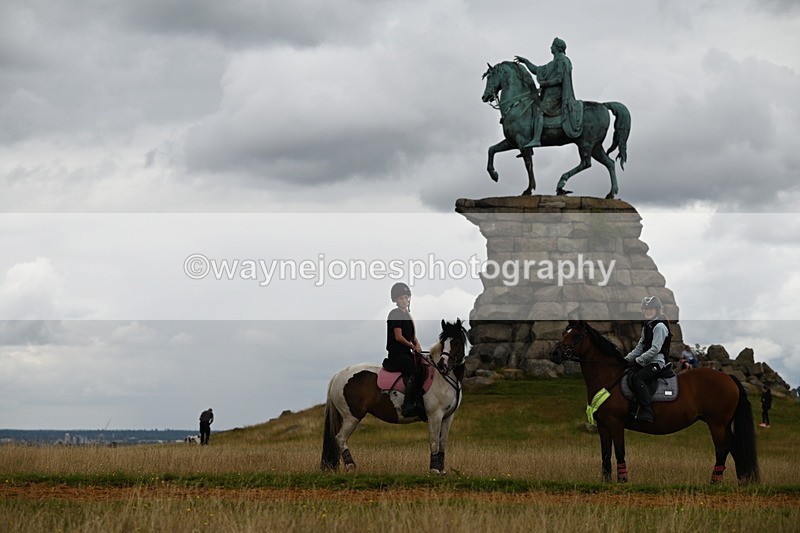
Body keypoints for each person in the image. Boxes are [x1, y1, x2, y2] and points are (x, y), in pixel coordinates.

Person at [514, 37, 583, 147]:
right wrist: (526, 62)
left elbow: (560, 79)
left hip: (556, 95)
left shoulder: (562, 61)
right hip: (549, 94)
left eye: (552, 45)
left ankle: (536, 139)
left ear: (557, 48)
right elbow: (537, 70)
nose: (550, 47)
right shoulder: (553, 63)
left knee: (539, 110)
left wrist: (546, 83)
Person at [624, 296, 672, 423]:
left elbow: (655, 349)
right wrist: (626, 358)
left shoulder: (660, 326)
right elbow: (640, 346)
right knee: (629, 374)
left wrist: (639, 360)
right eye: (645, 309)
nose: (648, 311)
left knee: (638, 377)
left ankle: (647, 410)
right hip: (647, 360)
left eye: (650, 309)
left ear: (656, 310)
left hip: (657, 362)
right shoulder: (647, 326)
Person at [383, 282, 423, 417]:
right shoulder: (395, 314)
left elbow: (412, 336)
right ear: (395, 300)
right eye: (401, 298)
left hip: (407, 352)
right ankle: (407, 405)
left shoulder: (407, 315)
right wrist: (412, 346)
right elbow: (398, 337)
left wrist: (417, 344)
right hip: (397, 354)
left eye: (406, 297)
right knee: (415, 371)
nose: (404, 300)